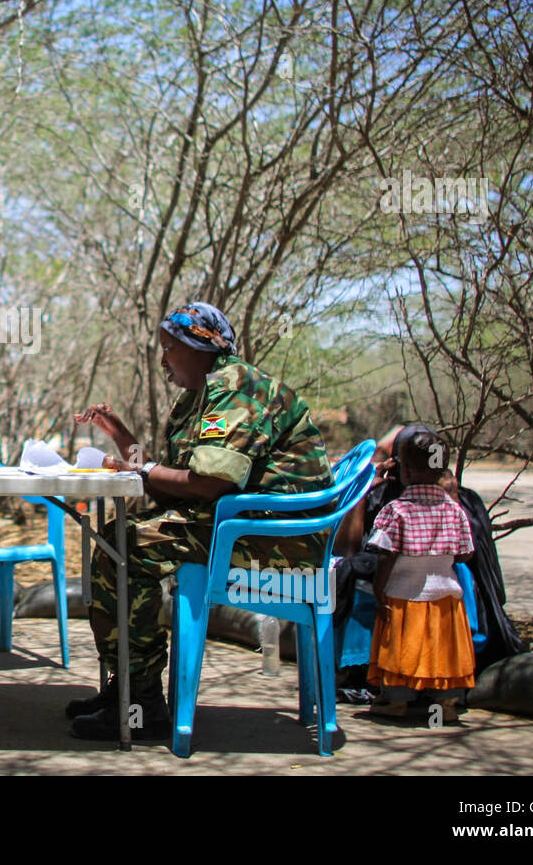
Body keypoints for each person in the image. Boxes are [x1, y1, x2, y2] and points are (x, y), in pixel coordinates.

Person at [67, 302, 334, 741]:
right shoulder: (202, 395)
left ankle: (143, 702)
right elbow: (171, 478)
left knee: (126, 549)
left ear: (198, 348)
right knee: (118, 542)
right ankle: (130, 688)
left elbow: (208, 484)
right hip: (244, 526)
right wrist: (119, 434)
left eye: (170, 349)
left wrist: (142, 470)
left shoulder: (237, 389)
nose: (163, 361)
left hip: (280, 541)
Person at [333, 424, 523, 691]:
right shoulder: (384, 497)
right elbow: (347, 553)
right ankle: (442, 692)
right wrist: (362, 494)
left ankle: (396, 692)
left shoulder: (454, 502)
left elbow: (477, 565)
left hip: (406, 600)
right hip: (441, 601)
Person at [365, 428, 476, 719]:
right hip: (446, 596)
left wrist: (379, 592)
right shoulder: (454, 511)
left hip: (403, 595)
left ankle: (396, 701)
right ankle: (446, 705)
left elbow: (385, 556)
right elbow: (465, 554)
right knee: (442, 651)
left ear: (408, 471)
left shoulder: (396, 510)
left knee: (402, 649)